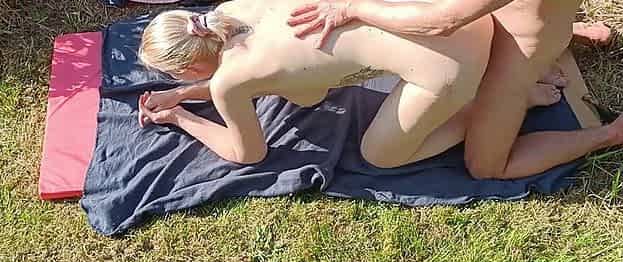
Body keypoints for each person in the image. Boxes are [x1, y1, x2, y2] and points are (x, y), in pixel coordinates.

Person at [137, 0, 563, 168]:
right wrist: (184, 93)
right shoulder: (234, 10)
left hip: (451, 66)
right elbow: (268, 78)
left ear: (190, 67)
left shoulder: (229, 81)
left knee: (381, 156)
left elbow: (247, 153)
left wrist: (180, 117)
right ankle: (503, 78)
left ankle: (493, 104)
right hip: (458, 18)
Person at [288, 0, 623, 179]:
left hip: (516, 53)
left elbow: (441, 21)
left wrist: (351, 8)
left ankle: (613, 132)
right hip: (495, 20)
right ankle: (565, 32)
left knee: (488, 167)